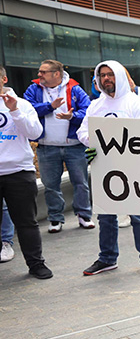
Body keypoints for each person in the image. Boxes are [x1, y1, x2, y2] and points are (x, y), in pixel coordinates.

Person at [78, 61, 140, 277]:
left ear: (120, 77)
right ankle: (107, 258)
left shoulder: (136, 103)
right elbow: (82, 132)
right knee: (106, 215)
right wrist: (94, 140)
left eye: (110, 75)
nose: (106, 79)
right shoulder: (96, 105)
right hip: (104, 167)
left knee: (139, 215)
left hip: (133, 167)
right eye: (102, 75)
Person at [23, 59, 94, 233]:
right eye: (39, 71)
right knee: (50, 185)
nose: (39, 75)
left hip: (75, 146)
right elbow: (27, 109)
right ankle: (55, 218)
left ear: (56, 74)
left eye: (43, 72)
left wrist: (72, 117)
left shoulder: (75, 88)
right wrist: (50, 106)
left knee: (81, 182)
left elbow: (87, 111)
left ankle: (84, 215)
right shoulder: (34, 89)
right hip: (46, 146)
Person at [0, 67, 52, 278]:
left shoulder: (21, 104)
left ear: (4, 79)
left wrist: (14, 111)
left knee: (26, 222)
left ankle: (36, 264)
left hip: (18, 171)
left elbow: (35, 133)